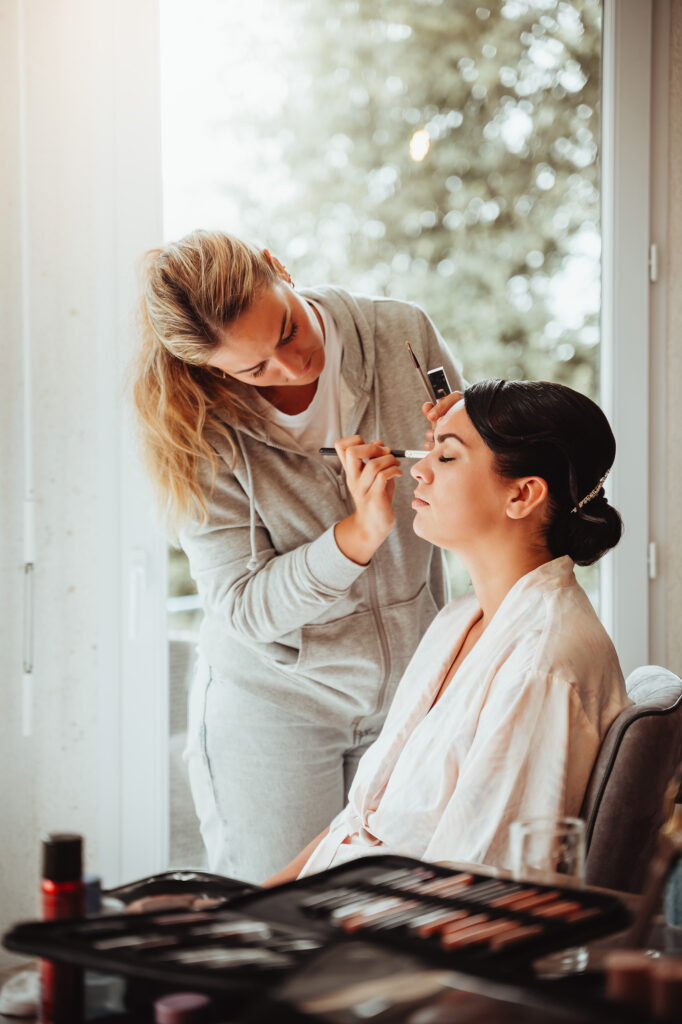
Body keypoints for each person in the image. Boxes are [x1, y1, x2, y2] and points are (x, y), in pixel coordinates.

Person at [133, 229, 466, 882]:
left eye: (286, 330)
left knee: (391, 925)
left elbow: (473, 474)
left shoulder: (401, 333)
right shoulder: (201, 427)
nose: (291, 367)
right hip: (274, 715)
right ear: (212, 370)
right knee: (282, 938)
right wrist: (355, 539)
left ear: (277, 269)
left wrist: (471, 447)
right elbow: (242, 609)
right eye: (253, 368)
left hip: (409, 694)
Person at [264, 379, 631, 885]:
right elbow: (355, 826)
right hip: (333, 903)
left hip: (389, 938)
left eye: (448, 457)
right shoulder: (459, 619)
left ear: (522, 494)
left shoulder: (542, 668)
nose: (418, 469)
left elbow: (477, 889)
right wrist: (243, 905)